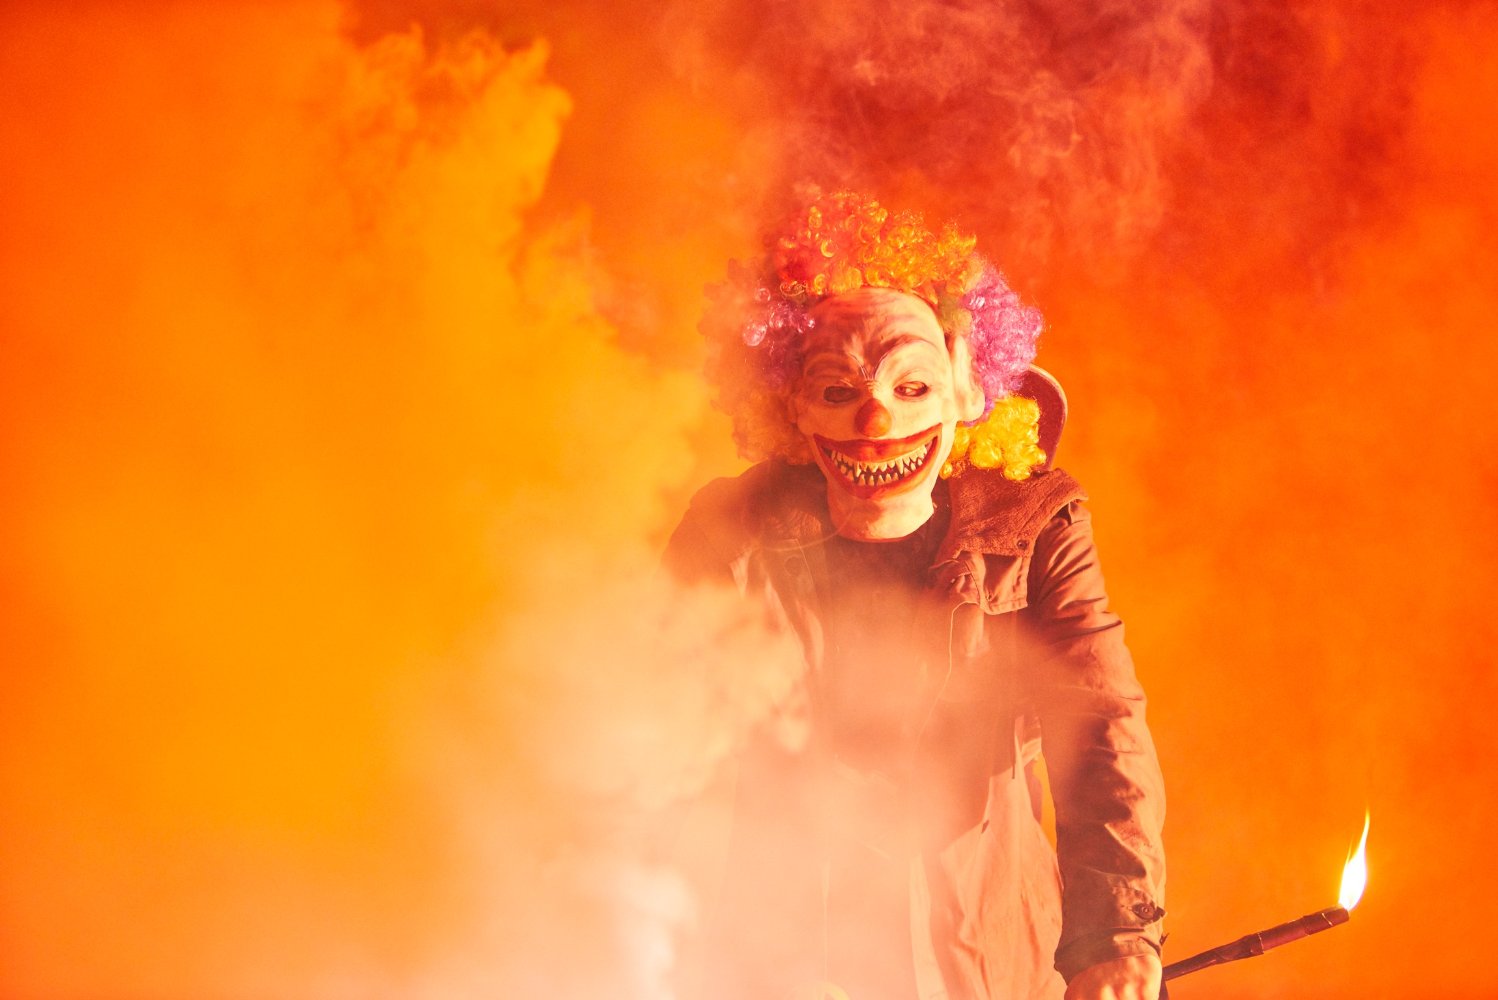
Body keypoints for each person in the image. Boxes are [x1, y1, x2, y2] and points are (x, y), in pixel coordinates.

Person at [664, 190, 1165, 1000]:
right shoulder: (729, 532)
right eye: (837, 390)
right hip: (785, 963)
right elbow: (641, 730)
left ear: (968, 390)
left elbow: (1099, 722)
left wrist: (1115, 936)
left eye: (912, 387)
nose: (875, 420)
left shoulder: (1040, 525)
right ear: (789, 407)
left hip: (987, 960)